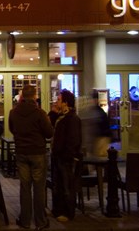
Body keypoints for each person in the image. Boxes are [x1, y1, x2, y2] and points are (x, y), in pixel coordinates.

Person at [9, 85, 54, 230]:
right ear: (35, 96)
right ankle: (40, 221)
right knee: (39, 188)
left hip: (21, 152)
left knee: (25, 187)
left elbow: (12, 129)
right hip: (38, 152)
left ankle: (25, 220)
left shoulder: (13, 113)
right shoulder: (40, 113)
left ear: (22, 96)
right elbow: (49, 133)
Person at [51, 89, 82, 223]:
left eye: (59, 99)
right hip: (58, 155)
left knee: (66, 186)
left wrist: (68, 155)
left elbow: (73, 139)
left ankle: (68, 212)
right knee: (59, 185)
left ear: (65, 103)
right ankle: (58, 210)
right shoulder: (61, 116)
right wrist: (53, 112)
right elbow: (49, 124)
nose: (56, 101)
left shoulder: (72, 118)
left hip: (65, 158)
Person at [81, 90, 111, 157]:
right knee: (100, 158)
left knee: (100, 158)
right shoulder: (100, 112)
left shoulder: (96, 112)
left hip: (100, 139)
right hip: (99, 139)